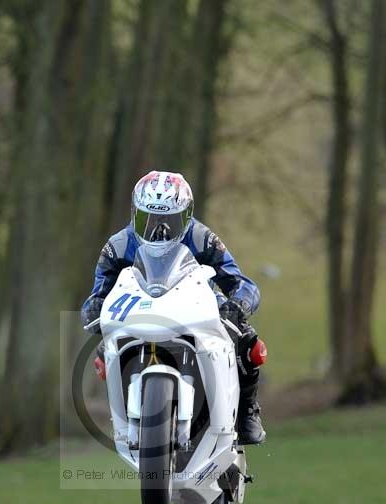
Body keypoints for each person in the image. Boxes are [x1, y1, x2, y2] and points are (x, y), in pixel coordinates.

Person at [81, 170, 266, 445]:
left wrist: (238, 304)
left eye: (169, 221)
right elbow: (98, 293)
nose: (159, 230)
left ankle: (248, 411)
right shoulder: (117, 246)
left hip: (192, 303)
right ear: (135, 214)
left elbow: (239, 282)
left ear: (186, 216)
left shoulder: (203, 238)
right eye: (149, 219)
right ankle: (126, 416)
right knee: (103, 353)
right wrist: (94, 307)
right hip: (138, 309)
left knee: (249, 342)